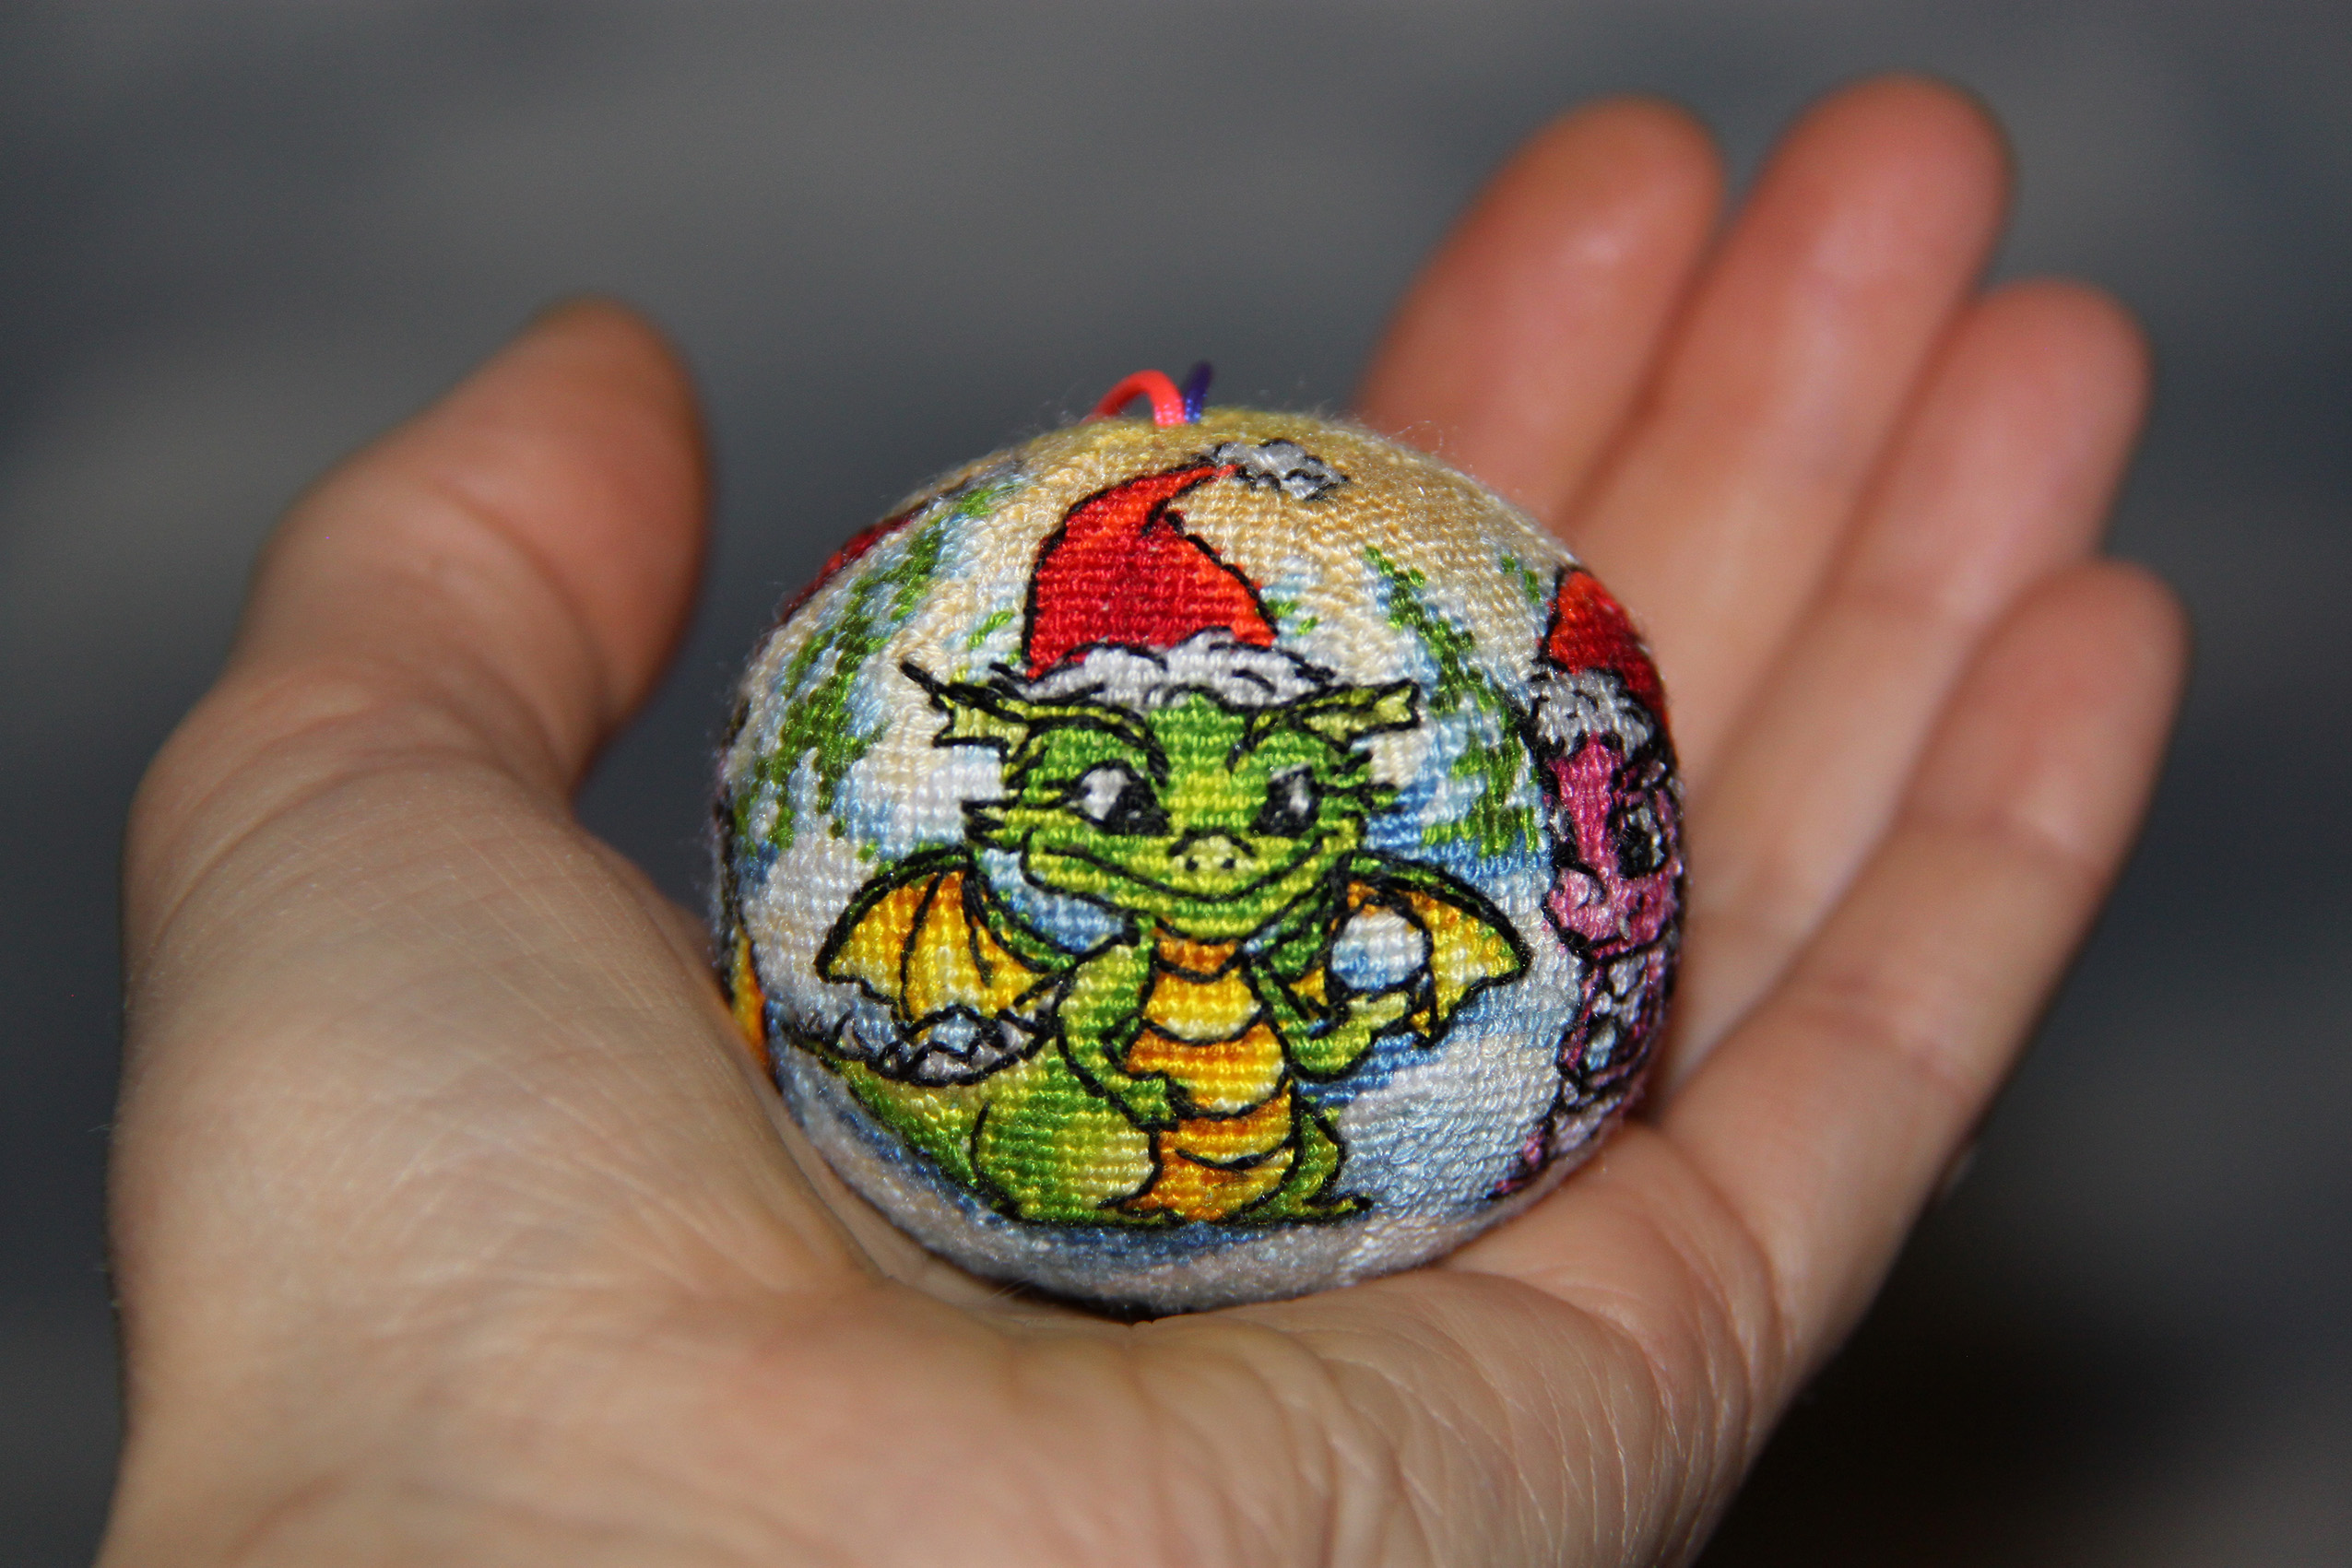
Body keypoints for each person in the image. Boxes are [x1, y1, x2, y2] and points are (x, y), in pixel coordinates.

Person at [99, 75, 2184, 1566]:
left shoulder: (1396, 911)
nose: (1199, 848)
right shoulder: (959, 909)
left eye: (1267, 795)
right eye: (1109, 791)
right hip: (1075, 1113)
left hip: (1297, 1116)